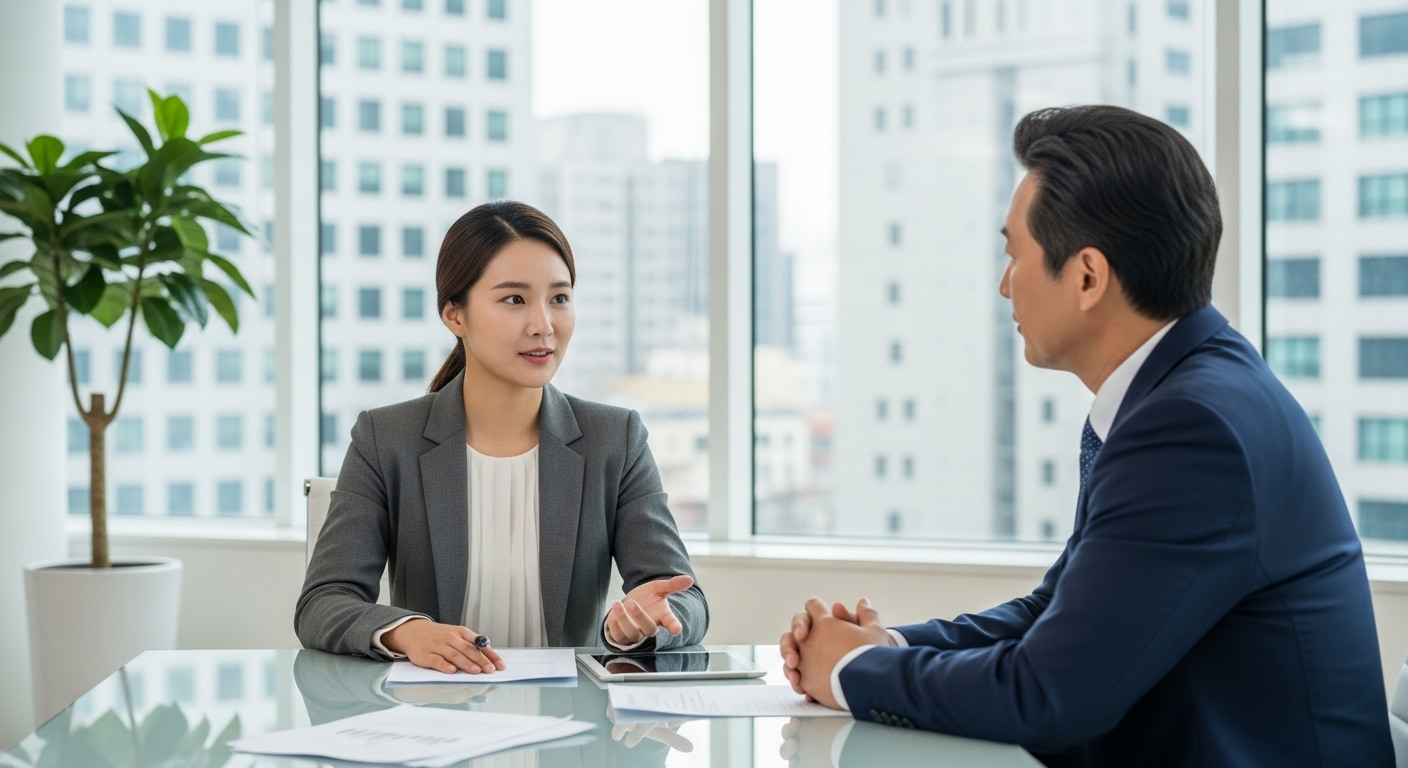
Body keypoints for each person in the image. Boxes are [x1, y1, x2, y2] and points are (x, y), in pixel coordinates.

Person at [779, 105, 1394, 766]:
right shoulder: (1183, 388)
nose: (1004, 284)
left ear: (1088, 277)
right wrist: (887, 648)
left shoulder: (1190, 429)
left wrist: (848, 673)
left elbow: (1046, 695)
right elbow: (1059, 611)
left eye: (1015, 254)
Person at [297, 201, 708, 674]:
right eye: (514, 299)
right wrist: (406, 631)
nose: (543, 325)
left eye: (559, 298)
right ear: (455, 315)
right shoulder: (386, 439)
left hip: (572, 731)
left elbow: (684, 596)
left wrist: (645, 622)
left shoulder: (614, 438)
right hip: (439, 727)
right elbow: (323, 602)